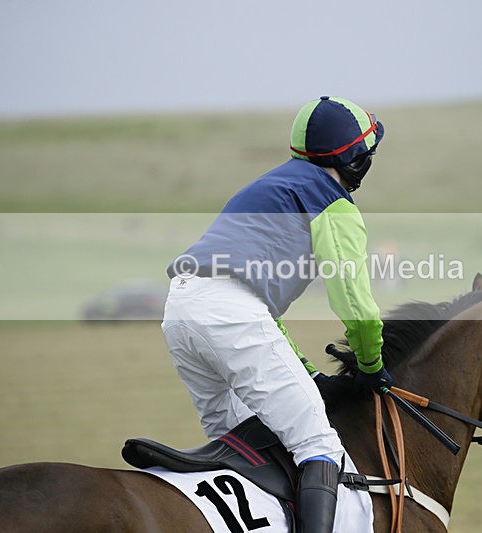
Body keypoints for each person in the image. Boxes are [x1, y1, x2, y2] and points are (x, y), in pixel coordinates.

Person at [162, 96, 392, 533]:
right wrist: (370, 365)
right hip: (229, 314)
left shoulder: (269, 185)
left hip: (181, 309)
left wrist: (306, 374)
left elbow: (258, 311)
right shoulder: (333, 202)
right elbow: (355, 304)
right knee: (318, 444)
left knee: (242, 439)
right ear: (356, 160)